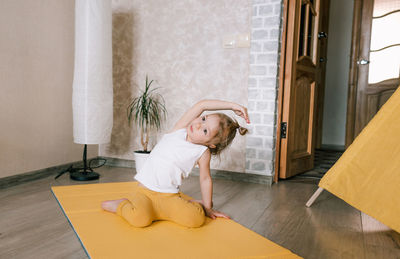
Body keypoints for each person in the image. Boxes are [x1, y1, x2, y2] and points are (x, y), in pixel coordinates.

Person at [102, 99, 250, 228]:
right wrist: (231, 105)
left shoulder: (202, 153)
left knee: (195, 220)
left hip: (170, 197)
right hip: (145, 192)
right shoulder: (179, 130)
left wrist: (208, 206)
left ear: (211, 145)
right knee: (139, 219)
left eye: (205, 131)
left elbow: (205, 179)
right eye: (203, 119)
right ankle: (120, 205)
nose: (198, 124)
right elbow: (202, 105)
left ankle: (196, 206)